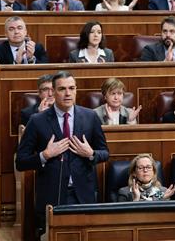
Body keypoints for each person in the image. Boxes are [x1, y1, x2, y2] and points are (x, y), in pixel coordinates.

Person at [16, 70, 109, 238]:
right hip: (52, 195)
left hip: (83, 194)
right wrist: (45, 155)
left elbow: (105, 153)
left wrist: (90, 154)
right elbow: (21, 162)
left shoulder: (90, 117)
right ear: (53, 91)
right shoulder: (37, 121)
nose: (68, 93)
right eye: (62, 89)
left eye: (72, 88)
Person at [0, 16, 48, 88]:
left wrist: (31, 59)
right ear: (6, 34)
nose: (16, 32)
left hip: (35, 87)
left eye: (19, 28)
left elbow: (46, 73)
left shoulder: (37, 48)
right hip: (9, 89)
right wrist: (16, 63)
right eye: (11, 29)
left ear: (25, 32)